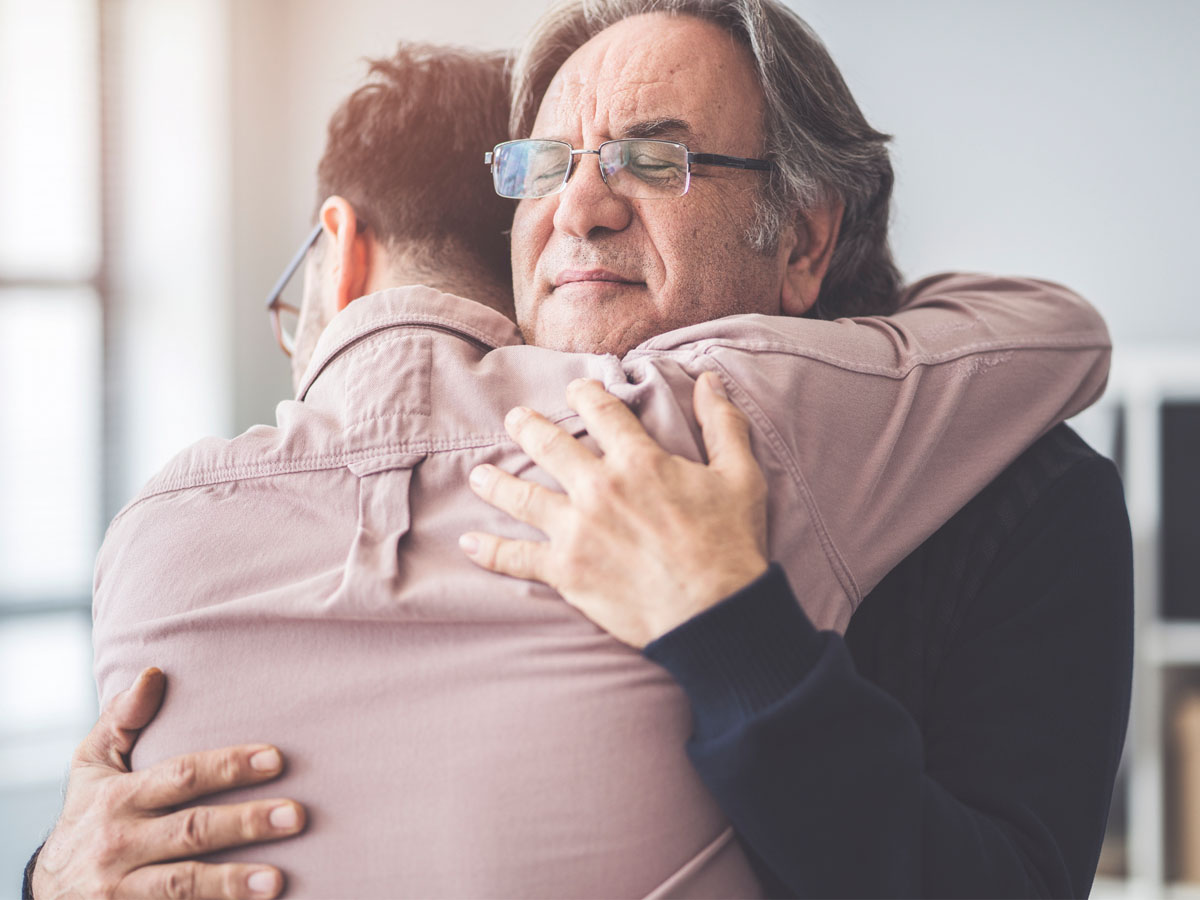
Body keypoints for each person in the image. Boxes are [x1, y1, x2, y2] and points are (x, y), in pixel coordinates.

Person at [26, 6, 1127, 899]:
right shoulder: (363, 492)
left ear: (800, 239)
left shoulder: (1024, 492)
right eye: (546, 165)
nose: (581, 208)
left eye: (656, 160)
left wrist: (730, 629)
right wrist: (52, 871)